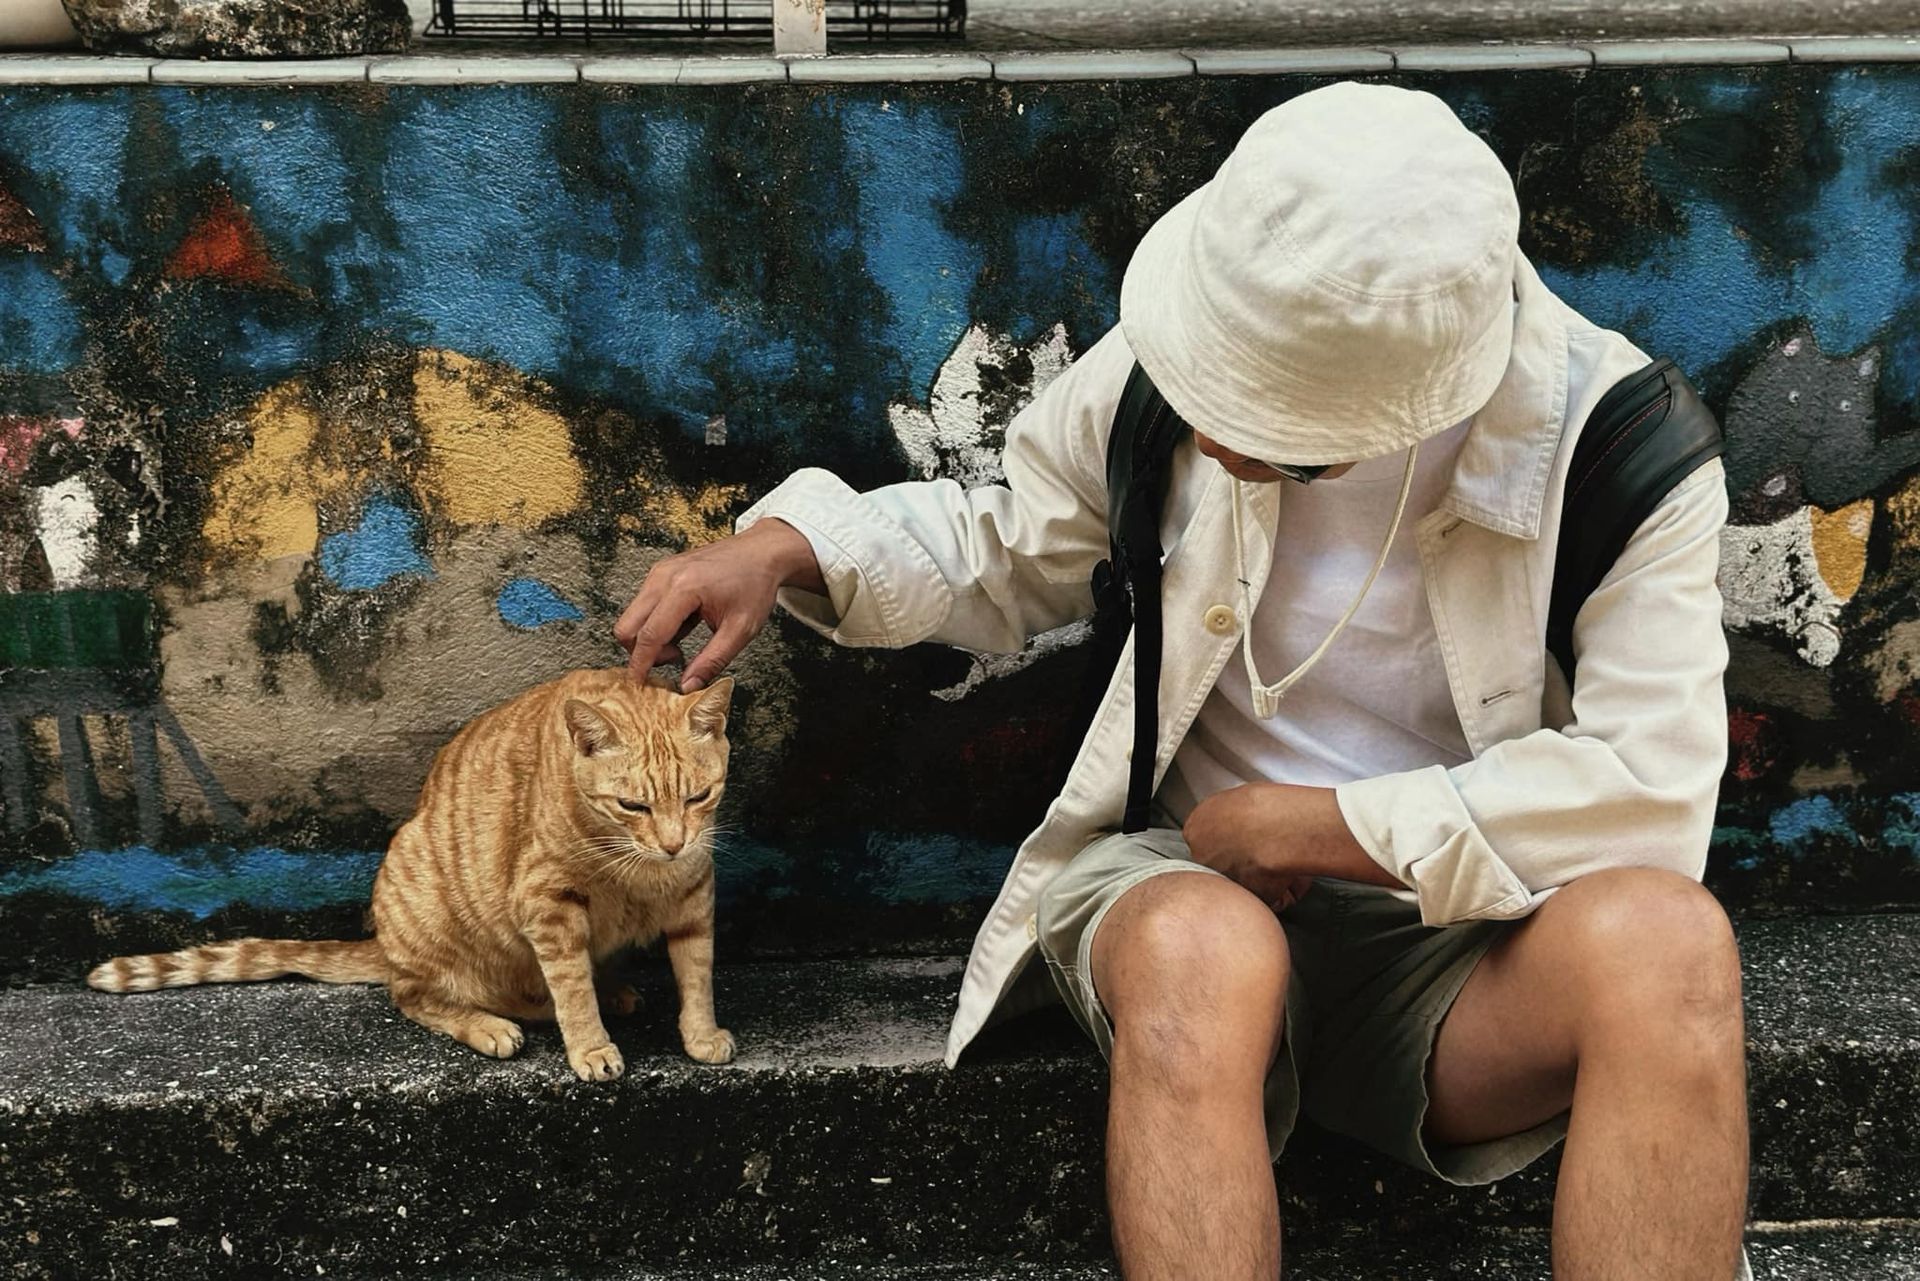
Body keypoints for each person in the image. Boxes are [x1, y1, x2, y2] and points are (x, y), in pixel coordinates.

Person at [615, 82, 1748, 1280]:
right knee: (1202, 949)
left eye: (1262, 411)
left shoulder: (1621, 448)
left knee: (1669, 947)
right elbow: (1020, 536)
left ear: (1402, 395)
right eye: (1218, 380)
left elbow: (1649, 794)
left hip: (1462, 949)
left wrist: (1323, 830)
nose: (1210, 425)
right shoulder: (1209, 323)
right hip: (1194, 888)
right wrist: (798, 545)